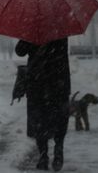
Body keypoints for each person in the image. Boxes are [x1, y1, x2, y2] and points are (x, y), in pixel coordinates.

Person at [15, 38, 70, 171]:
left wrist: (27, 38)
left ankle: (43, 155)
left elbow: (19, 51)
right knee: (59, 119)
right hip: (59, 80)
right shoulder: (61, 28)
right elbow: (62, 52)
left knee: (40, 120)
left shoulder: (32, 30)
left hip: (38, 82)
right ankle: (58, 150)